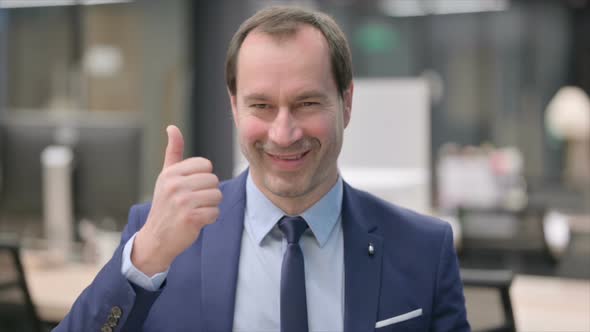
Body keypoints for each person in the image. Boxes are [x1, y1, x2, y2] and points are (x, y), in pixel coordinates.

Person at [55, 6, 469, 332]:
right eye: (261, 105)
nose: (284, 132)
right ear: (234, 107)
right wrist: (144, 260)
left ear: (346, 103)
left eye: (307, 103)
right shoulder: (159, 235)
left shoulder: (424, 249)